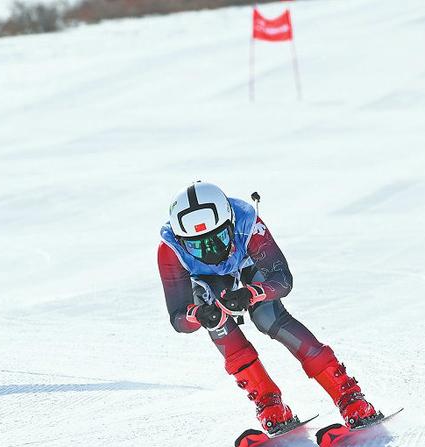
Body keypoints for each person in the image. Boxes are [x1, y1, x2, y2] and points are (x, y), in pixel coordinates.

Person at [157, 181, 377, 433]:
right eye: (196, 246)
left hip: (248, 260)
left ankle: (347, 393)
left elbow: (283, 280)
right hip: (206, 281)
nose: (211, 254)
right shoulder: (169, 248)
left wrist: (252, 293)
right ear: (181, 239)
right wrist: (199, 315)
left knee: (268, 317)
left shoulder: (248, 224)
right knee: (215, 319)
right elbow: (178, 319)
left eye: (218, 239)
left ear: (230, 223)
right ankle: (267, 400)